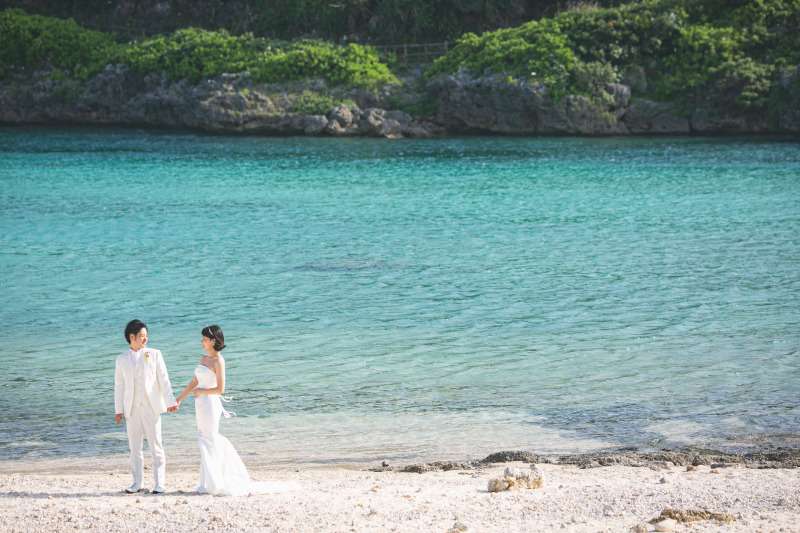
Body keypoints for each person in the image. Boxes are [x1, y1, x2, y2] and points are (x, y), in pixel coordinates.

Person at [175, 325, 297, 496]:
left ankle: (214, 483)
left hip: (210, 404)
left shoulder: (219, 361)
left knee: (208, 438)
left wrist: (201, 391)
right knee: (205, 437)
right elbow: (193, 382)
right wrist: (178, 399)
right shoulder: (203, 358)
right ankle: (208, 482)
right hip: (200, 405)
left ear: (213, 341)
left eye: (204, 339)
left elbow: (221, 389)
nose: (201, 341)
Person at [114, 319, 178, 494]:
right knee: (135, 447)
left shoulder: (155, 354)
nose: (145, 339)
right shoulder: (121, 359)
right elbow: (119, 386)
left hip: (151, 406)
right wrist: (118, 410)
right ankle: (137, 483)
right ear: (132, 337)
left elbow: (164, 379)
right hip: (132, 408)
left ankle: (160, 483)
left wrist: (170, 402)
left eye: (146, 336)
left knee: (156, 445)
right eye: (142, 336)